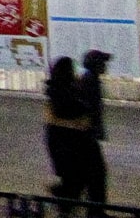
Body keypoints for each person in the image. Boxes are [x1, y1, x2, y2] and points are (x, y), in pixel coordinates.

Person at [45, 56, 94, 201]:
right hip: (65, 140)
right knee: (74, 178)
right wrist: (83, 107)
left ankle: (64, 196)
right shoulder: (60, 90)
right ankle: (63, 198)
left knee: (75, 178)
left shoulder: (60, 88)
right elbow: (68, 110)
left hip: (64, 139)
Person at [79, 50, 111, 205]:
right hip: (86, 136)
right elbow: (90, 110)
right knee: (97, 173)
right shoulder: (90, 82)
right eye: (102, 63)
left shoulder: (90, 80)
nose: (105, 66)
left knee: (92, 173)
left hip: (86, 135)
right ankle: (95, 210)